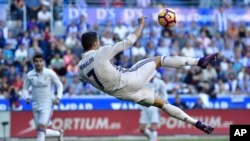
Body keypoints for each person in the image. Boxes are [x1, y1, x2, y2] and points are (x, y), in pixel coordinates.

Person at [78, 16, 217, 134]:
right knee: (158, 60)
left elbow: (81, 78)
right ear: (96, 43)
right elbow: (129, 42)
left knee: (162, 103)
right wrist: (141, 24)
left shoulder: (80, 68)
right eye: (99, 41)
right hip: (128, 80)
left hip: (123, 95)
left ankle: (196, 123)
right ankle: (199, 61)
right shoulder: (100, 52)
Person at [22, 54, 64, 141]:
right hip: (35, 105)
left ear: (43, 62)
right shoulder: (30, 75)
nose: (38, 63)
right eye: (36, 61)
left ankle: (58, 133)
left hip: (47, 104)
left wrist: (58, 97)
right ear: (34, 62)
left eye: (40, 61)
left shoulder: (50, 73)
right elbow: (25, 88)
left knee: (41, 129)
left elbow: (59, 85)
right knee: (40, 131)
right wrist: (26, 97)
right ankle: (59, 133)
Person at [139, 73, 167, 141]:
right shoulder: (143, 82)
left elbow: (164, 95)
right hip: (145, 107)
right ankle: (154, 139)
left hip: (155, 106)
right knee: (142, 129)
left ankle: (153, 139)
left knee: (153, 128)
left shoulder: (160, 82)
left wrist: (162, 106)